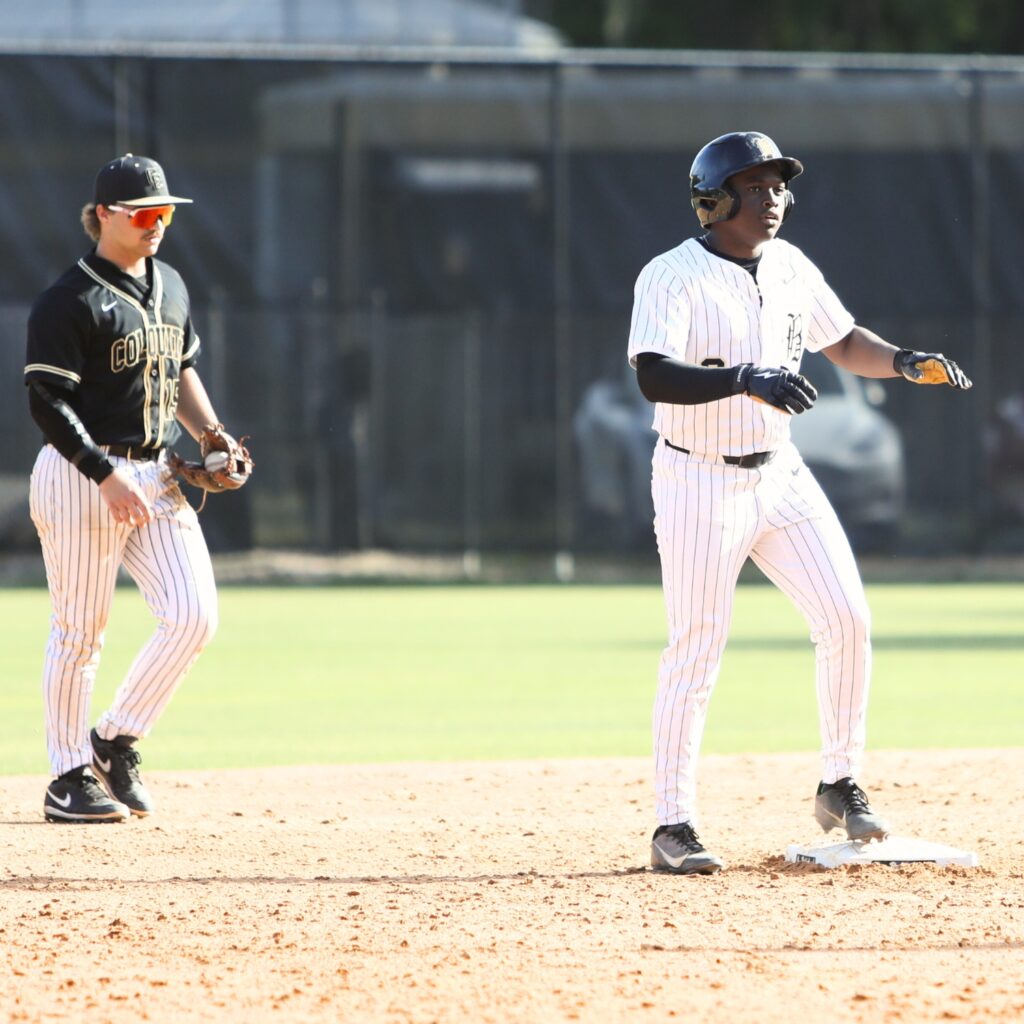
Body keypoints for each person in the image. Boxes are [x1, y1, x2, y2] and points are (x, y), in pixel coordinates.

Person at [628, 132, 972, 874]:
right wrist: (747, 378)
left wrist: (905, 362)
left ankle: (839, 782)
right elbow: (654, 376)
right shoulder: (672, 276)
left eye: (780, 185)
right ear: (715, 202)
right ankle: (673, 825)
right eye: (757, 187)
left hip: (779, 474)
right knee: (697, 648)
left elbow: (843, 341)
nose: (775, 198)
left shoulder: (788, 266)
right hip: (698, 478)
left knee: (847, 616)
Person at [25, 154, 250, 822]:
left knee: (193, 616)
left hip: (157, 471)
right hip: (79, 476)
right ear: (102, 217)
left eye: (166, 214)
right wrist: (102, 471)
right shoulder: (68, 300)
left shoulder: (171, 285)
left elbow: (180, 367)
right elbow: (46, 400)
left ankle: (114, 738)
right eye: (144, 214)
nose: (158, 225)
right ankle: (67, 777)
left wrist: (213, 436)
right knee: (80, 632)